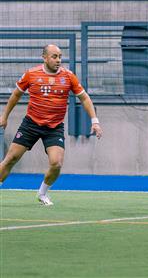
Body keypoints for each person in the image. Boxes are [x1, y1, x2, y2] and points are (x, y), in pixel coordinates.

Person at [0, 44, 103, 205]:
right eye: (54, 56)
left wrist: (95, 121)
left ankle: (42, 194)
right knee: (10, 159)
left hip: (54, 127)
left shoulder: (68, 76)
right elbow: (15, 95)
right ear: (45, 58)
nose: (58, 60)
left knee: (56, 164)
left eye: (60, 56)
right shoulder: (31, 74)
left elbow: (84, 98)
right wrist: (4, 116)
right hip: (31, 124)